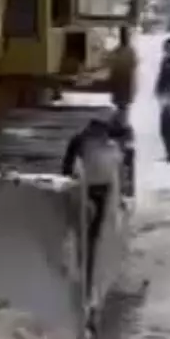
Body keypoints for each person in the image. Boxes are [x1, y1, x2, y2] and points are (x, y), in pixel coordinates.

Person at [62, 118, 126, 291]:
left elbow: (66, 168)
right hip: (89, 191)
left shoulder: (102, 144)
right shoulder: (85, 142)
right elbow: (67, 169)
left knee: (89, 237)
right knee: (88, 237)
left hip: (97, 191)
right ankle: (86, 278)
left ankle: (86, 278)